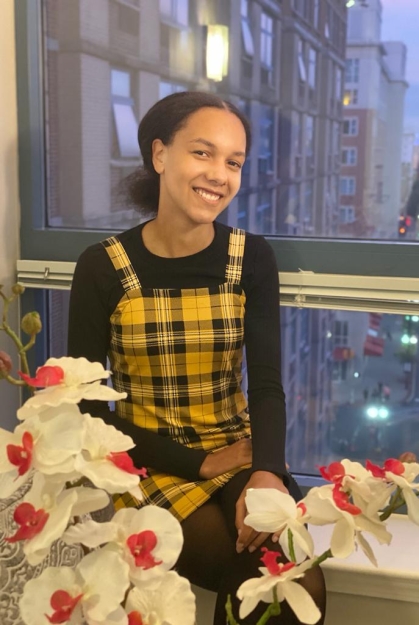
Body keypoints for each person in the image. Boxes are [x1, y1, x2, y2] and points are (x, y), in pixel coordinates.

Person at [68, 91, 325, 624]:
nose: (220, 174)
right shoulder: (102, 267)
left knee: (294, 579)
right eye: (203, 153)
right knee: (249, 576)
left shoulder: (252, 257)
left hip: (237, 452)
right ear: (160, 155)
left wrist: (269, 471)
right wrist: (198, 462)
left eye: (233, 162)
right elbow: (87, 413)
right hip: (143, 464)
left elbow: (269, 383)